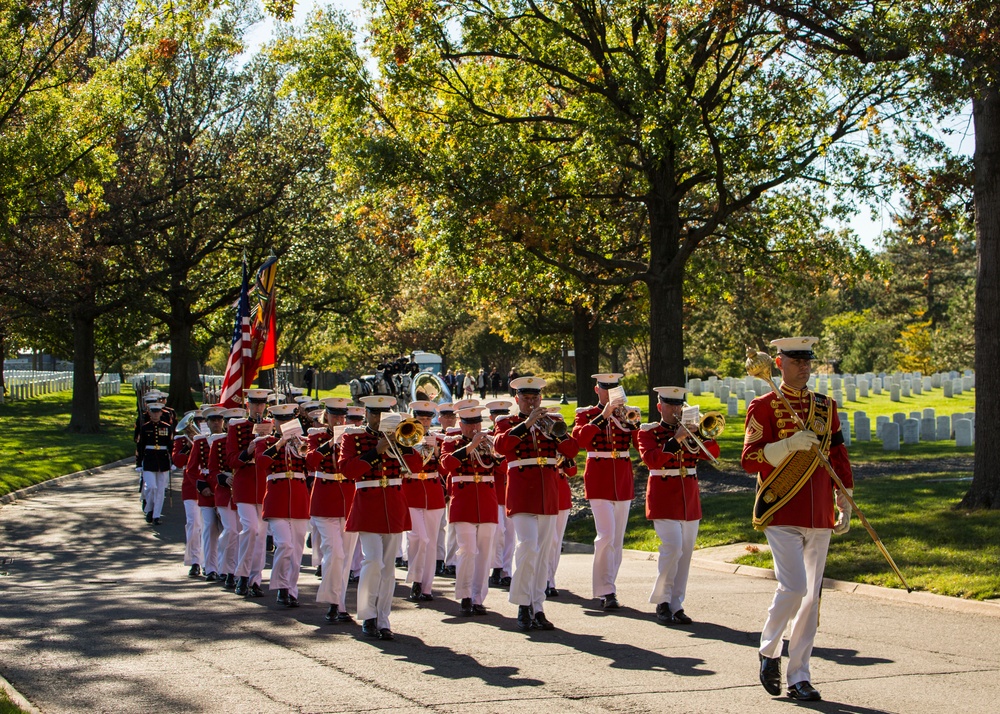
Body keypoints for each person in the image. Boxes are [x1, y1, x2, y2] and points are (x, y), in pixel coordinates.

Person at [742, 337, 853, 703]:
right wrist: (787, 446)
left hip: (819, 512)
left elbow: (837, 452)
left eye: (807, 361)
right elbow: (749, 459)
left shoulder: (825, 406)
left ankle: (800, 675)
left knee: (810, 600)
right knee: (794, 588)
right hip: (782, 509)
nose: (804, 367)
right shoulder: (763, 406)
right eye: (796, 361)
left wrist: (844, 498)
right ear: (779, 363)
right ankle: (769, 650)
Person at [494, 376, 579, 631]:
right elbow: (501, 446)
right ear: (517, 399)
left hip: (548, 492)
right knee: (528, 546)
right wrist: (527, 423)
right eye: (526, 398)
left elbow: (572, 450)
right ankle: (523, 603)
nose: (531, 402)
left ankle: (537, 605)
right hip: (521, 492)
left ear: (540, 399)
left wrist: (555, 433)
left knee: (543, 553)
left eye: (535, 398)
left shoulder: (553, 422)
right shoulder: (506, 422)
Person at [636, 386, 719, 626]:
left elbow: (713, 454)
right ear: (659, 407)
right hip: (663, 498)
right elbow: (651, 459)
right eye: (670, 405)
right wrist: (677, 439)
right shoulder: (648, 432)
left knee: (686, 554)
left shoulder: (693, 431)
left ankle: (676, 603)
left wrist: (702, 434)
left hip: (689, 498)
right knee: (672, 549)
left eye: (678, 405)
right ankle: (662, 601)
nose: (675, 409)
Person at [339, 395, 413, 640]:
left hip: (393, 504)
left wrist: (403, 445)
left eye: (383, 414)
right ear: (366, 414)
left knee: (388, 568)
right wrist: (375, 451)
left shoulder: (399, 436)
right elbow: (347, 470)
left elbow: (416, 466)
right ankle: (368, 615)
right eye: (374, 414)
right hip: (367, 504)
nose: (379, 418)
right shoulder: (353, 437)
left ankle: (383, 619)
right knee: (372, 562)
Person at [572, 373, 639, 609]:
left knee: (617, 539)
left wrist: (634, 424)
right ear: (597, 390)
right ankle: (606, 590)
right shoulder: (586, 414)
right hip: (599, 478)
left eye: (614, 388)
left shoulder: (628, 413)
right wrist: (604, 415)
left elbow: (640, 445)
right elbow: (579, 441)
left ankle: (609, 584)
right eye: (605, 388)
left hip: (622, 478)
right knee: (606, 535)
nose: (610, 393)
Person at [439, 405, 498, 616]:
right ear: (461, 424)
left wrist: (494, 450)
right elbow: (445, 465)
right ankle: (465, 595)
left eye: (477, 423)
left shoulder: (490, 442)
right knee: (467, 550)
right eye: (469, 423)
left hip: (487, 501)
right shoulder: (451, 442)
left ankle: (478, 598)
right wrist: (471, 446)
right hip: (463, 502)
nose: (474, 428)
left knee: (484, 553)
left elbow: (502, 467)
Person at [256, 403, 311, 608]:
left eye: (288, 421)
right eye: (280, 421)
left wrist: (301, 447)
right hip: (277, 498)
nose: (284, 424)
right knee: (285, 544)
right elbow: (261, 464)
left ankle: (292, 589)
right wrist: (280, 443)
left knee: (296, 550)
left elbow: (312, 465)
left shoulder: (303, 442)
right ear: (274, 422)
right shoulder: (265, 442)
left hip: (298, 498)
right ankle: (281, 586)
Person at [307, 397, 356, 622]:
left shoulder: (352, 437)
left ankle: (339, 604)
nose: (339, 419)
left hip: (348, 499)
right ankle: (334, 601)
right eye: (334, 415)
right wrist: (329, 444)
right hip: (324, 499)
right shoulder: (316, 436)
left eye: (341, 416)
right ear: (326, 416)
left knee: (345, 557)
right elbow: (310, 461)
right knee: (334, 553)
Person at [226, 388, 272, 598]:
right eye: (254, 403)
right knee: (251, 529)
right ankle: (242, 575)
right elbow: (231, 459)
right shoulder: (237, 427)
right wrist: (248, 451)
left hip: (263, 484)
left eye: (261, 404)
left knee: (261, 535)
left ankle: (255, 579)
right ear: (248, 405)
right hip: (244, 484)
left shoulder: (272, 425)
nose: (258, 408)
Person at [402, 400, 445, 602]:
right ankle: (416, 579)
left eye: (428, 419)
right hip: (411, 491)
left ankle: (426, 586)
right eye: (421, 419)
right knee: (418, 538)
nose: (425, 422)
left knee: (431, 542)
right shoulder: (404, 439)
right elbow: (405, 466)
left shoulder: (438, 439)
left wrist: (436, 451)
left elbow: (446, 470)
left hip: (433, 493)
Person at [484, 400, 513, 588]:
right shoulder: (486, 437)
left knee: (510, 534)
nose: (500, 419)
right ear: (491, 417)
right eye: (497, 415)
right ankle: (496, 567)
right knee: (498, 532)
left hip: (510, 490)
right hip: (493, 491)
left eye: (504, 415)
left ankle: (506, 571)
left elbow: (505, 466)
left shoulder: (511, 436)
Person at [136, 402, 174, 526]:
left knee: (160, 490)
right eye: (153, 412)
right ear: (149, 413)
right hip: (149, 460)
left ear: (161, 413)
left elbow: (171, 446)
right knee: (151, 487)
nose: (156, 414)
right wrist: (138, 463)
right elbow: (140, 446)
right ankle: (149, 508)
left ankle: (156, 515)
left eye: (158, 412)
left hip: (163, 461)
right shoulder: (145, 427)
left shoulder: (167, 427)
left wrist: (172, 461)